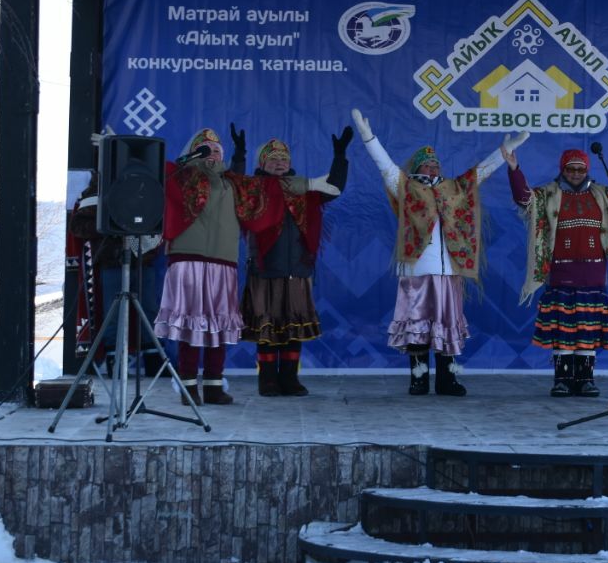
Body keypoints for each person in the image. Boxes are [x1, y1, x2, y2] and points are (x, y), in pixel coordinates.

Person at [352, 108, 527, 397]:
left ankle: (447, 380)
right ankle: (418, 379)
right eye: (427, 165)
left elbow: (480, 173)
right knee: (417, 326)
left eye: (436, 165)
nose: (433, 169)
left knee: (447, 326)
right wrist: (368, 137)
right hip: (417, 271)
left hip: (449, 271)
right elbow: (384, 165)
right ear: (417, 168)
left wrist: (504, 152)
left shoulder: (454, 188)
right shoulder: (405, 187)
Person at [503, 144, 608, 398]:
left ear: (587, 170)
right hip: (562, 274)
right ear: (562, 170)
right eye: (571, 169)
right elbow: (524, 199)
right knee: (563, 330)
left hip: (593, 275)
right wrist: (514, 169)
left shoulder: (603, 195)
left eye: (581, 169)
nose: (576, 173)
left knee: (588, 329)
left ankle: (585, 379)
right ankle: (563, 380)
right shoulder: (549, 194)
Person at [157, 125, 283, 405]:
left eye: (217, 149)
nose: (212, 153)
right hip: (188, 260)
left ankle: (214, 385)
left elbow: (258, 192)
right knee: (191, 326)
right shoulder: (182, 177)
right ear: (194, 152)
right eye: (206, 149)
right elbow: (156, 169)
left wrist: (239, 155)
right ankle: (188, 386)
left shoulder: (232, 183)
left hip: (223, 263)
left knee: (219, 326)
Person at [239, 129, 352, 398]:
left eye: (284, 159)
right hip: (266, 270)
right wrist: (238, 155)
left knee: (293, 327)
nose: (280, 163)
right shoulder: (253, 189)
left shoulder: (305, 190)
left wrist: (340, 157)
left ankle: (290, 379)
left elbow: (334, 188)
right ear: (262, 163)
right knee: (267, 327)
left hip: (298, 271)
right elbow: (235, 184)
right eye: (273, 159)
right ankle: (267, 379)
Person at [67, 172, 164, 376]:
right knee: (114, 312)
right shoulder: (97, 190)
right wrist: (108, 223)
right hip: (112, 262)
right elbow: (78, 226)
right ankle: (115, 363)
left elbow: (159, 220)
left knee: (148, 309)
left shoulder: (146, 186)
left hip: (143, 261)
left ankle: (155, 362)